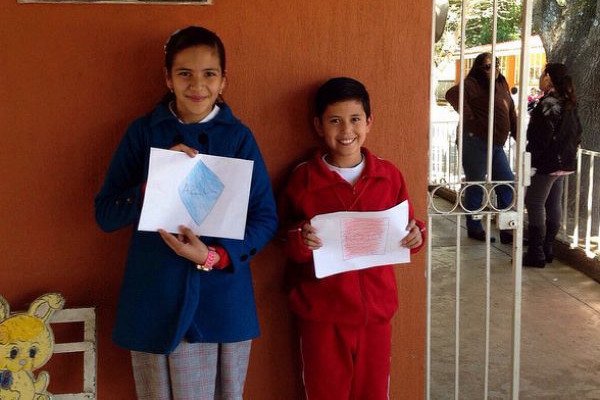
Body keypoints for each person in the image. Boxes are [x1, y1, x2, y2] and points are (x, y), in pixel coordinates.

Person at [94, 26, 278, 399]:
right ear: (168, 78)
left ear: (223, 80)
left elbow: (264, 218)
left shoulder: (238, 137)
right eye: (184, 74)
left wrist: (215, 255)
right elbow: (106, 213)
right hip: (155, 296)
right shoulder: (143, 133)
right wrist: (154, 182)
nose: (197, 85)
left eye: (209, 74)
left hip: (220, 298)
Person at [278, 77, 425, 400]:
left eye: (355, 119)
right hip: (321, 315)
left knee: (373, 392)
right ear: (318, 125)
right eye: (335, 120)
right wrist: (301, 239)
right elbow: (284, 238)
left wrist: (417, 235)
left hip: (376, 314)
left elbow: (409, 227)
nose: (346, 130)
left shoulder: (388, 175)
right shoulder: (303, 178)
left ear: (369, 122)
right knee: (325, 392)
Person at [445, 53, 517, 244]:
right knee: (475, 184)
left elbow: (510, 110)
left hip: (496, 144)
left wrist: (517, 133)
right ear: (479, 69)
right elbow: (452, 94)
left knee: (506, 182)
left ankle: (507, 229)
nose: (494, 69)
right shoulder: (473, 84)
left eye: (496, 64)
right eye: (487, 66)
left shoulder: (501, 84)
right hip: (475, 142)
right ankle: (475, 227)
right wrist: (471, 118)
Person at [523, 63, 582, 268]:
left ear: (548, 77)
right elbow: (578, 132)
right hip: (563, 162)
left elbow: (540, 136)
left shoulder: (549, 102)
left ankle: (536, 252)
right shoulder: (568, 101)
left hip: (547, 162)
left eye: (542, 74)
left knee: (534, 202)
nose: (540, 77)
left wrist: (531, 160)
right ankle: (547, 247)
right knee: (552, 203)